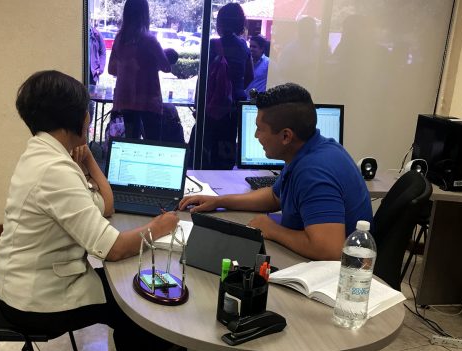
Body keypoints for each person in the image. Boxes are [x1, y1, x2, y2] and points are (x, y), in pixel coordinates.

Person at [0, 70, 180, 351]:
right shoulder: (55, 171)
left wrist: (90, 161)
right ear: (81, 119)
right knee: (133, 306)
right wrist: (159, 226)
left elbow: (105, 206)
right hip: (35, 299)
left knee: (128, 292)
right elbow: (112, 249)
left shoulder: (45, 155)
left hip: (24, 281)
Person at [179, 83, 372, 261]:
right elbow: (274, 197)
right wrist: (219, 201)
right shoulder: (309, 150)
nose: (255, 135)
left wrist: (273, 230)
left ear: (286, 136)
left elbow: (330, 250)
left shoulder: (314, 171)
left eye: (260, 129)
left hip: (335, 277)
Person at [189, 2, 254, 169]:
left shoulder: (212, 45)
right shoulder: (244, 48)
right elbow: (250, 76)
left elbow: (203, 77)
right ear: (241, 23)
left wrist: (198, 104)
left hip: (212, 109)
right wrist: (232, 88)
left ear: (220, 22)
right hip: (233, 109)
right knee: (225, 153)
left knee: (202, 153)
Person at [108, 0, 174, 141]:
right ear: (145, 14)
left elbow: (111, 69)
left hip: (125, 100)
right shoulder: (150, 40)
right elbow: (166, 67)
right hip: (149, 101)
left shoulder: (119, 39)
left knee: (132, 141)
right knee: (152, 142)